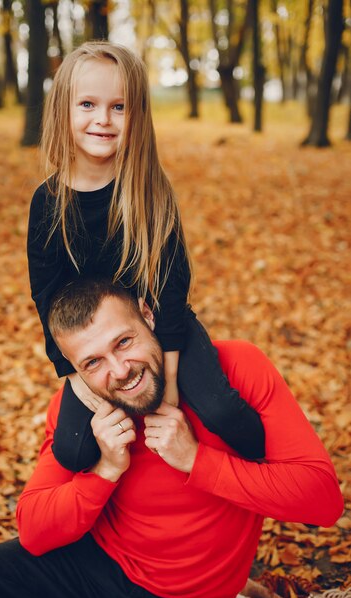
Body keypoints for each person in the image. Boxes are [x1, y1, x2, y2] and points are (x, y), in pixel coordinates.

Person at [0, 278, 343, 598]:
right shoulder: (82, 410)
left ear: (148, 316)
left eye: (124, 341)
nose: (119, 370)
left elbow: (322, 500)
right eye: (93, 362)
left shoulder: (234, 370)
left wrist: (196, 459)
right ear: (76, 371)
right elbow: (35, 532)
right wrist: (104, 471)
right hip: (82, 567)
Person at [27, 40, 265, 473]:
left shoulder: (148, 189)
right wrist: (81, 383)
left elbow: (173, 287)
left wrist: (170, 382)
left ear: (137, 115)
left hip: (161, 330)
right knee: (73, 453)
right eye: (87, 104)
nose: (103, 119)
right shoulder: (48, 202)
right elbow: (46, 297)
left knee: (221, 412)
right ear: (64, 110)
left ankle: (262, 469)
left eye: (119, 107)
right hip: (99, 346)